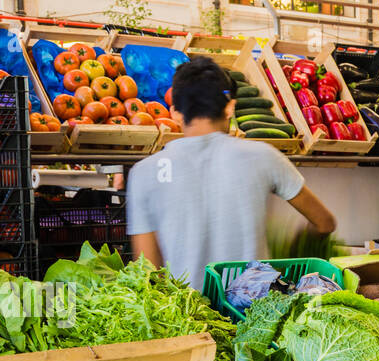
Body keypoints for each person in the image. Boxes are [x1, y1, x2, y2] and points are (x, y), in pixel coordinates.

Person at [127, 56, 336, 288]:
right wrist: (294, 249)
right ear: (230, 107)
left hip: (186, 320)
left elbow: (148, 273)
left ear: (175, 111)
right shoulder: (264, 156)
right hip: (255, 319)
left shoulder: (143, 173)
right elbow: (325, 222)